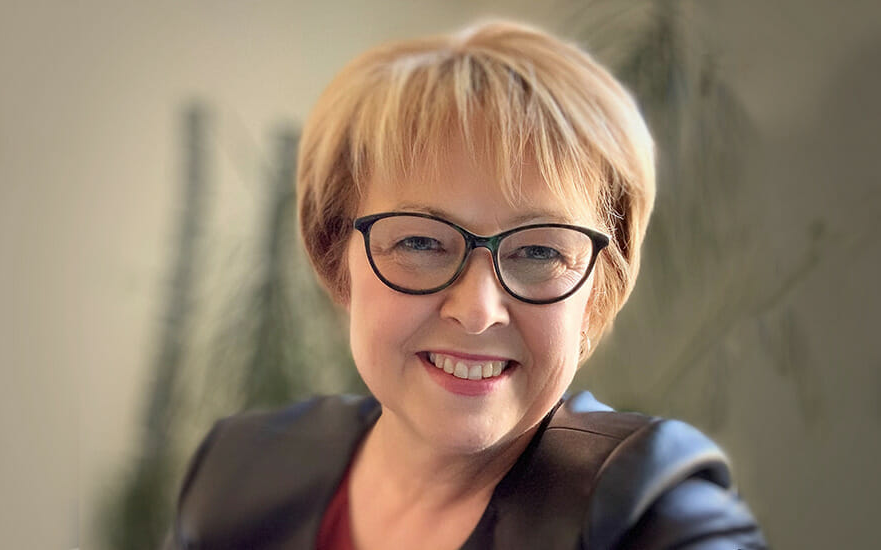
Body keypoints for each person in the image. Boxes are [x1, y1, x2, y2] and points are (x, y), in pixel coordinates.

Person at [163, 20, 766, 550]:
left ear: (595, 294)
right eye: (421, 242)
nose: (478, 311)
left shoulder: (653, 517)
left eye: (538, 250)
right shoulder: (237, 474)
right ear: (336, 258)